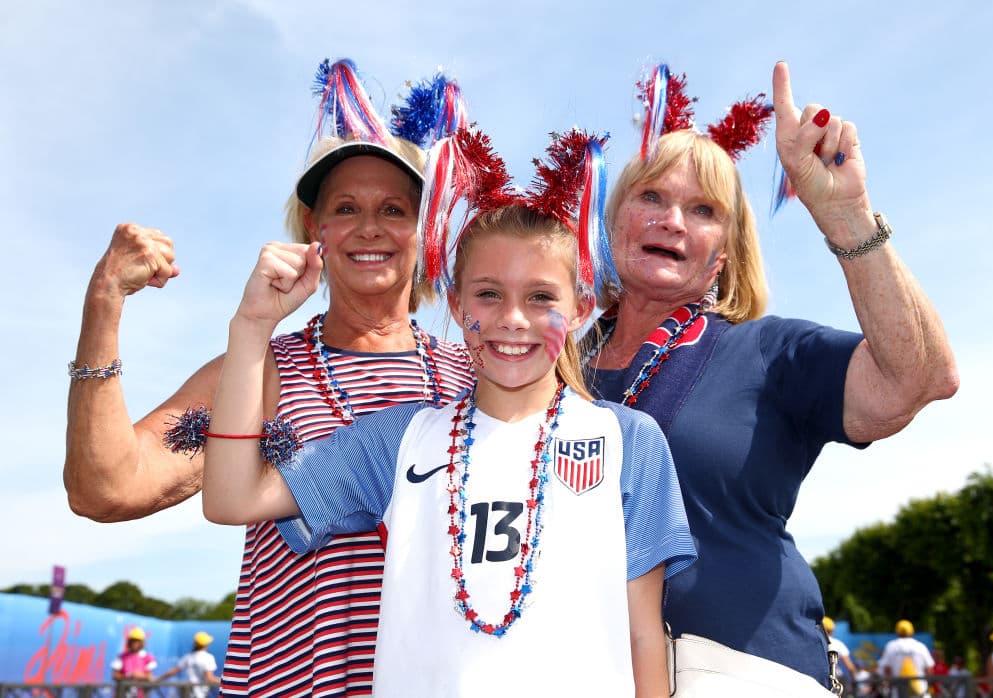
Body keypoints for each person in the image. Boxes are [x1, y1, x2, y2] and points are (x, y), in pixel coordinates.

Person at [201, 129, 697, 697]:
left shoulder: (629, 440)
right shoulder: (400, 439)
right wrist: (251, 327)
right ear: (457, 305)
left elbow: (642, 637)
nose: (514, 318)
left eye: (541, 297)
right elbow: (231, 499)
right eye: (488, 294)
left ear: (582, 308)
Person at [63, 59, 474, 695]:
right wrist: (104, 305)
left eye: (395, 208)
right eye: (346, 207)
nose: (370, 226)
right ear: (317, 231)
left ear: (425, 229)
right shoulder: (260, 371)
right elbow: (108, 488)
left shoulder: (477, 375)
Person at [584, 60, 958, 696]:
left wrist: (846, 213)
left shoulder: (766, 351)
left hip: (746, 672)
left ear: (723, 253)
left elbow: (921, 377)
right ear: (610, 219)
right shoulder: (553, 370)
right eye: (651, 197)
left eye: (701, 210)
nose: (672, 220)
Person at [878, 620, 935, 696]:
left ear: (897, 632)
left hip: (899, 691)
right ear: (912, 632)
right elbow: (929, 670)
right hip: (921, 690)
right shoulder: (920, 646)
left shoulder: (891, 646)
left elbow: (886, 670)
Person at [157, 631, 219, 698]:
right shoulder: (208, 658)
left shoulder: (188, 657)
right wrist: (223, 681)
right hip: (201, 694)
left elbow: (173, 671)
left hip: (188, 693)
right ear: (206, 644)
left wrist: (159, 679)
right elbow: (210, 678)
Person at [111, 627, 156, 696]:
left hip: (140, 694)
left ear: (142, 643)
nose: (134, 643)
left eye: (137, 641)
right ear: (129, 642)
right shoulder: (121, 657)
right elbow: (115, 676)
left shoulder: (148, 658)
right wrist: (129, 675)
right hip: (123, 694)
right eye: (133, 641)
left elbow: (149, 677)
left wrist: (142, 676)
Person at [824, 616, 858, 683]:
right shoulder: (837, 644)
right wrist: (855, 679)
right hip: (835, 679)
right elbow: (850, 667)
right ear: (832, 630)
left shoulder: (812, 643)